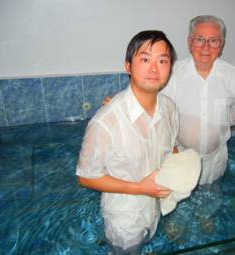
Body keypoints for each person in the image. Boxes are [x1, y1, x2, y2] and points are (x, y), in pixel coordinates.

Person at [76, 30, 179, 254]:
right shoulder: (105, 122)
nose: (154, 68)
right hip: (124, 219)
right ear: (128, 66)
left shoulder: (170, 109)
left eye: (162, 60)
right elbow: (85, 176)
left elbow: (172, 148)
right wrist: (140, 188)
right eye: (145, 59)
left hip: (155, 208)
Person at [161, 15, 235, 185]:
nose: (206, 47)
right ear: (189, 42)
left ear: (221, 44)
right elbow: (159, 110)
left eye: (213, 41)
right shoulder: (171, 74)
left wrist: (220, 123)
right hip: (180, 156)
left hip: (215, 159)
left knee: (211, 197)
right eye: (199, 39)